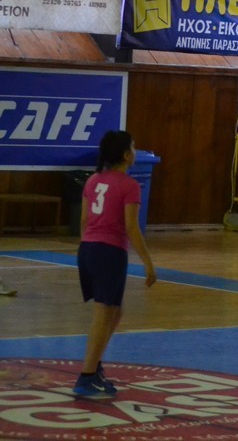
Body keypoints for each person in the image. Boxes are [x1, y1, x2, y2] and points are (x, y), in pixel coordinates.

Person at [74, 130, 157, 399]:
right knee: (104, 313)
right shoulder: (129, 185)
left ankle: (94, 364)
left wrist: (87, 248)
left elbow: (84, 221)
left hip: (88, 249)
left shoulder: (93, 180)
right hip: (109, 252)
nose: (135, 151)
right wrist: (148, 263)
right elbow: (132, 227)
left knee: (115, 312)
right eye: (133, 147)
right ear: (125, 155)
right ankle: (87, 377)